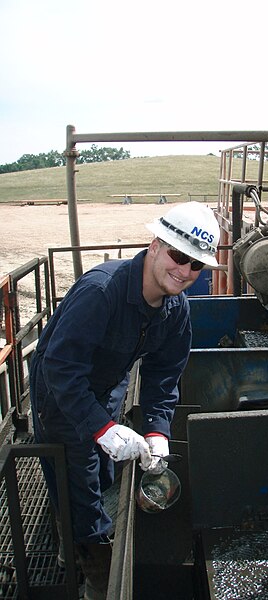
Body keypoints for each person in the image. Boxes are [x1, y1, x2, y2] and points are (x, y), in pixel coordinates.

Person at [29, 201, 220, 600]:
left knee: (101, 473)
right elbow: (60, 368)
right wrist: (99, 426)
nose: (185, 271)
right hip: (60, 390)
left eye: (196, 265)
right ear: (155, 245)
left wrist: (156, 430)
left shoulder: (175, 309)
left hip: (108, 382)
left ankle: (79, 527)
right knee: (77, 480)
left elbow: (163, 375)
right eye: (178, 256)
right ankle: (93, 570)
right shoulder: (102, 292)